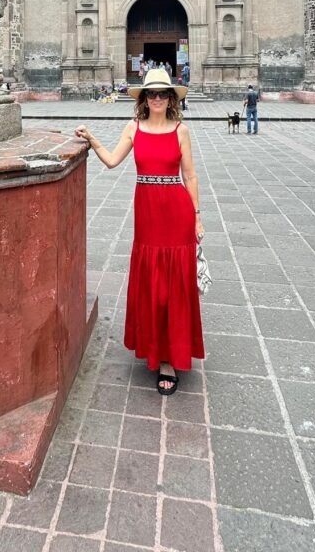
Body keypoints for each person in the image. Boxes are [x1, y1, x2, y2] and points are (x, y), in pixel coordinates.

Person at [75, 68, 204, 395]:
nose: (157, 98)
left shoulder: (181, 131)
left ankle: (169, 360)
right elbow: (112, 161)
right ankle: (154, 347)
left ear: (171, 99)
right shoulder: (132, 128)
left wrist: (198, 217)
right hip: (147, 216)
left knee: (174, 287)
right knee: (154, 285)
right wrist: (91, 139)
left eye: (163, 93)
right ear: (143, 99)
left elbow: (190, 177)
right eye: (151, 93)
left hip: (177, 213)